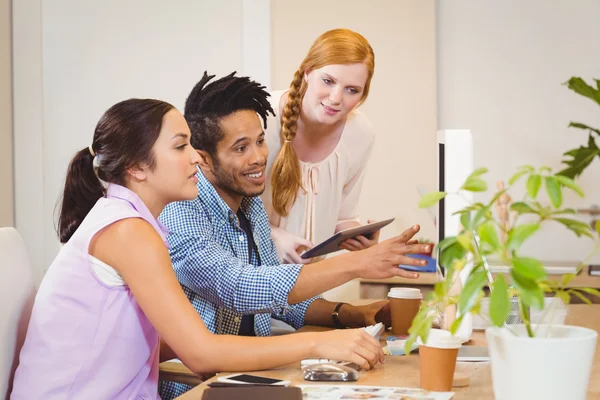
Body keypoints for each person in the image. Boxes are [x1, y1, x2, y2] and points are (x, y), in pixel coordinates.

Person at [10, 99, 388, 399]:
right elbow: (200, 351)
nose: (195, 156)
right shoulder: (127, 231)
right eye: (180, 146)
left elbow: (161, 346)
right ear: (138, 167)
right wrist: (318, 343)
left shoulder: (132, 222)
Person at [159, 72, 431, 398]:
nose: (259, 157)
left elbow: (278, 301)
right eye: (241, 148)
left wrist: (349, 314)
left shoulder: (251, 206)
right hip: (201, 388)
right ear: (202, 158)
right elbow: (241, 287)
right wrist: (356, 264)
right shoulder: (180, 211)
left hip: (254, 377)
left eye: (260, 141)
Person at [262, 28, 380, 264]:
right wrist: (273, 236)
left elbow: (343, 215)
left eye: (352, 90)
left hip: (310, 285)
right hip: (250, 282)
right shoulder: (261, 118)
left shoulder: (360, 133)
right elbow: (224, 209)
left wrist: (357, 235)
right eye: (328, 81)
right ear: (308, 72)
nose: (336, 98)